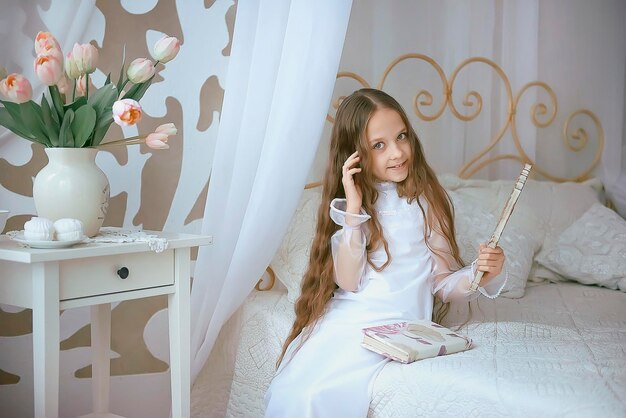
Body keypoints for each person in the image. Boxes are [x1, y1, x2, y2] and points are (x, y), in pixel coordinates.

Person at [264, 88, 507, 417]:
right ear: (356, 156)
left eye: (402, 136)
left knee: (322, 394)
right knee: (298, 391)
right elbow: (348, 282)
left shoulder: (425, 201)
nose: (397, 152)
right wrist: (352, 210)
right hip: (351, 319)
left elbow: (443, 283)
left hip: (401, 327)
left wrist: (481, 273)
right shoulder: (354, 209)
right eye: (379, 145)